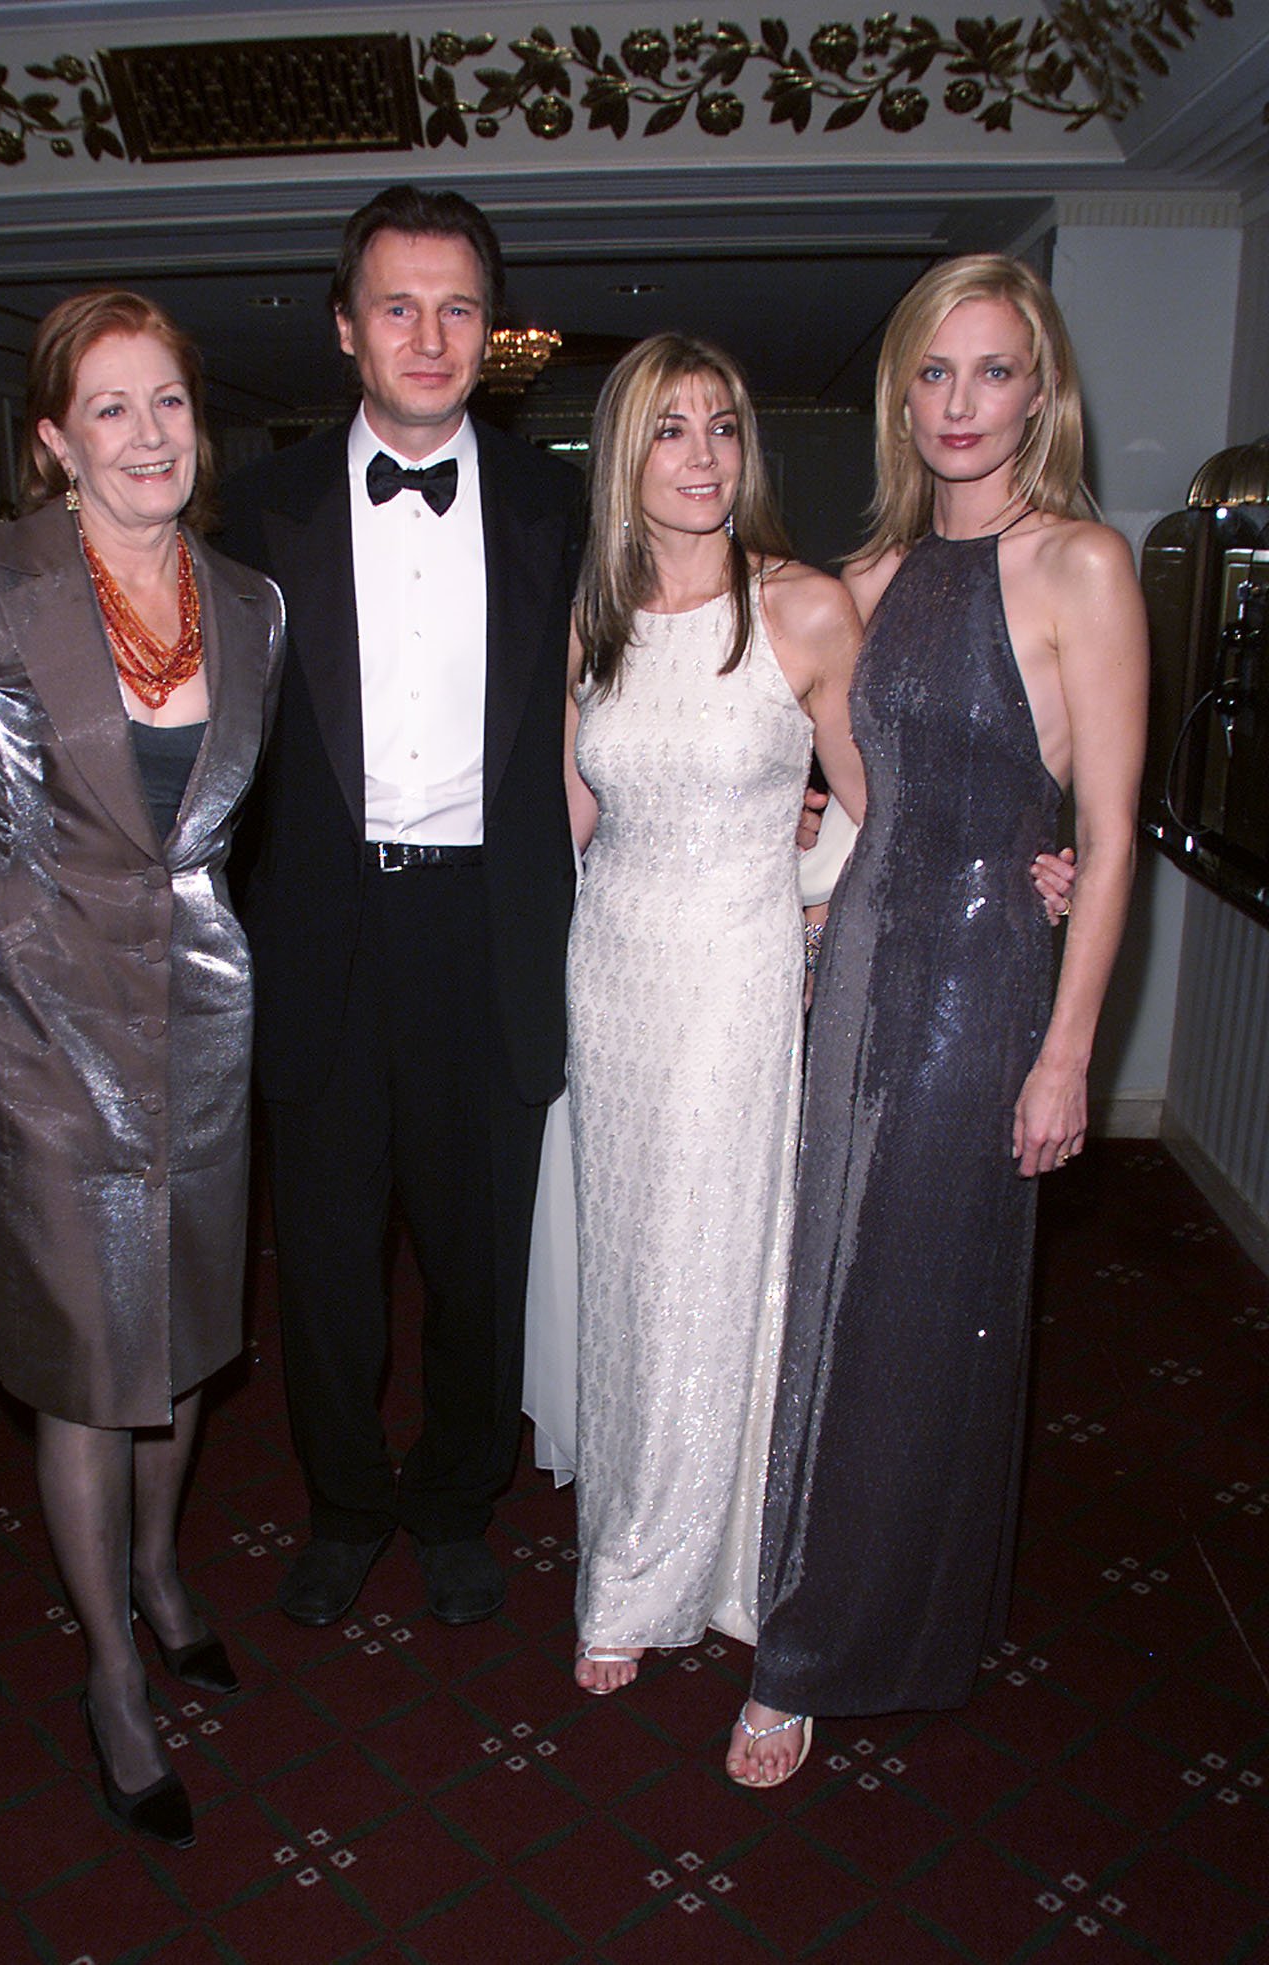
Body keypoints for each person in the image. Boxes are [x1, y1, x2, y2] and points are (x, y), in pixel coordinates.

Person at [728, 254, 1148, 1785]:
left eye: (993, 371)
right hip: (860, 978)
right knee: (829, 1300)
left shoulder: (1084, 565)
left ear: (1039, 390)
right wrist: (808, 863)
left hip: (981, 996)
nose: (962, 404)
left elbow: (1104, 832)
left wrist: (1066, 1048)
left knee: (913, 1315)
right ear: (904, 392)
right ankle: (831, 1595)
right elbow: (863, 796)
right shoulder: (880, 576)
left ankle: (816, 1651)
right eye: (934, 373)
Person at [0, 291, 285, 1848]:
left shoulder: (253, 606)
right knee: (84, 1359)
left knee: (183, 1343)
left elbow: (227, 823)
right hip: (46, 1029)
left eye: (169, 402)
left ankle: (163, 1566)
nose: (148, 436)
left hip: (199, 1011)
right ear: (54, 440)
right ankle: (112, 1670)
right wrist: (3, 946)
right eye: (109, 409)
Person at [219, 187, 583, 1629]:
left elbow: (657, 669)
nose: (429, 335)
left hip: (489, 926)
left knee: (480, 1249)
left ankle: (451, 1495)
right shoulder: (257, 507)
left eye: (459, 308)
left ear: (492, 334)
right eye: (398, 305)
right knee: (322, 1261)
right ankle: (344, 1499)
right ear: (344, 329)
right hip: (321, 931)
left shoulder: (560, 503)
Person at [564, 333, 868, 1693]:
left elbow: (878, 800)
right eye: (670, 429)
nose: (700, 456)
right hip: (612, 971)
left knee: (713, 1265)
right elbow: (572, 821)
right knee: (628, 1269)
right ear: (627, 457)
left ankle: (706, 1568)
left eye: (722, 427)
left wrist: (810, 901)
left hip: (735, 974)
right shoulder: (596, 615)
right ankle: (632, 1539)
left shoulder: (804, 605)